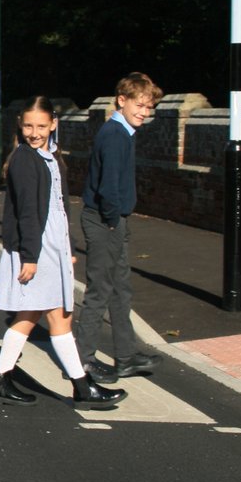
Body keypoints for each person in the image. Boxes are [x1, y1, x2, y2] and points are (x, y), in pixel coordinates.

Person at [0, 97, 127, 409]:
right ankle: (72, 385)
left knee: (49, 316)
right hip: (36, 248)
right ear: (20, 126)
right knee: (43, 315)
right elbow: (29, 214)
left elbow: (58, 208)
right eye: (28, 126)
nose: (34, 132)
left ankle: (69, 384)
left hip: (51, 246)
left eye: (41, 126)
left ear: (53, 125)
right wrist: (30, 257)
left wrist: (68, 247)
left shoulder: (50, 156)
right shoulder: (25, 159)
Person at [74, 72, 166, 383]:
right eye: (139, 105)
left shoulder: (122, 132)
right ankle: (82, 360)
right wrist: (114, 221)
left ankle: (126, 356)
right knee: (99, 291)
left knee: (120, 289)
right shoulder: (114, 135)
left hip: (112, 220)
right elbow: (109, 188)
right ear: (121, 101)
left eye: (148, 107)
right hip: (104, 220)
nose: (144, 112)